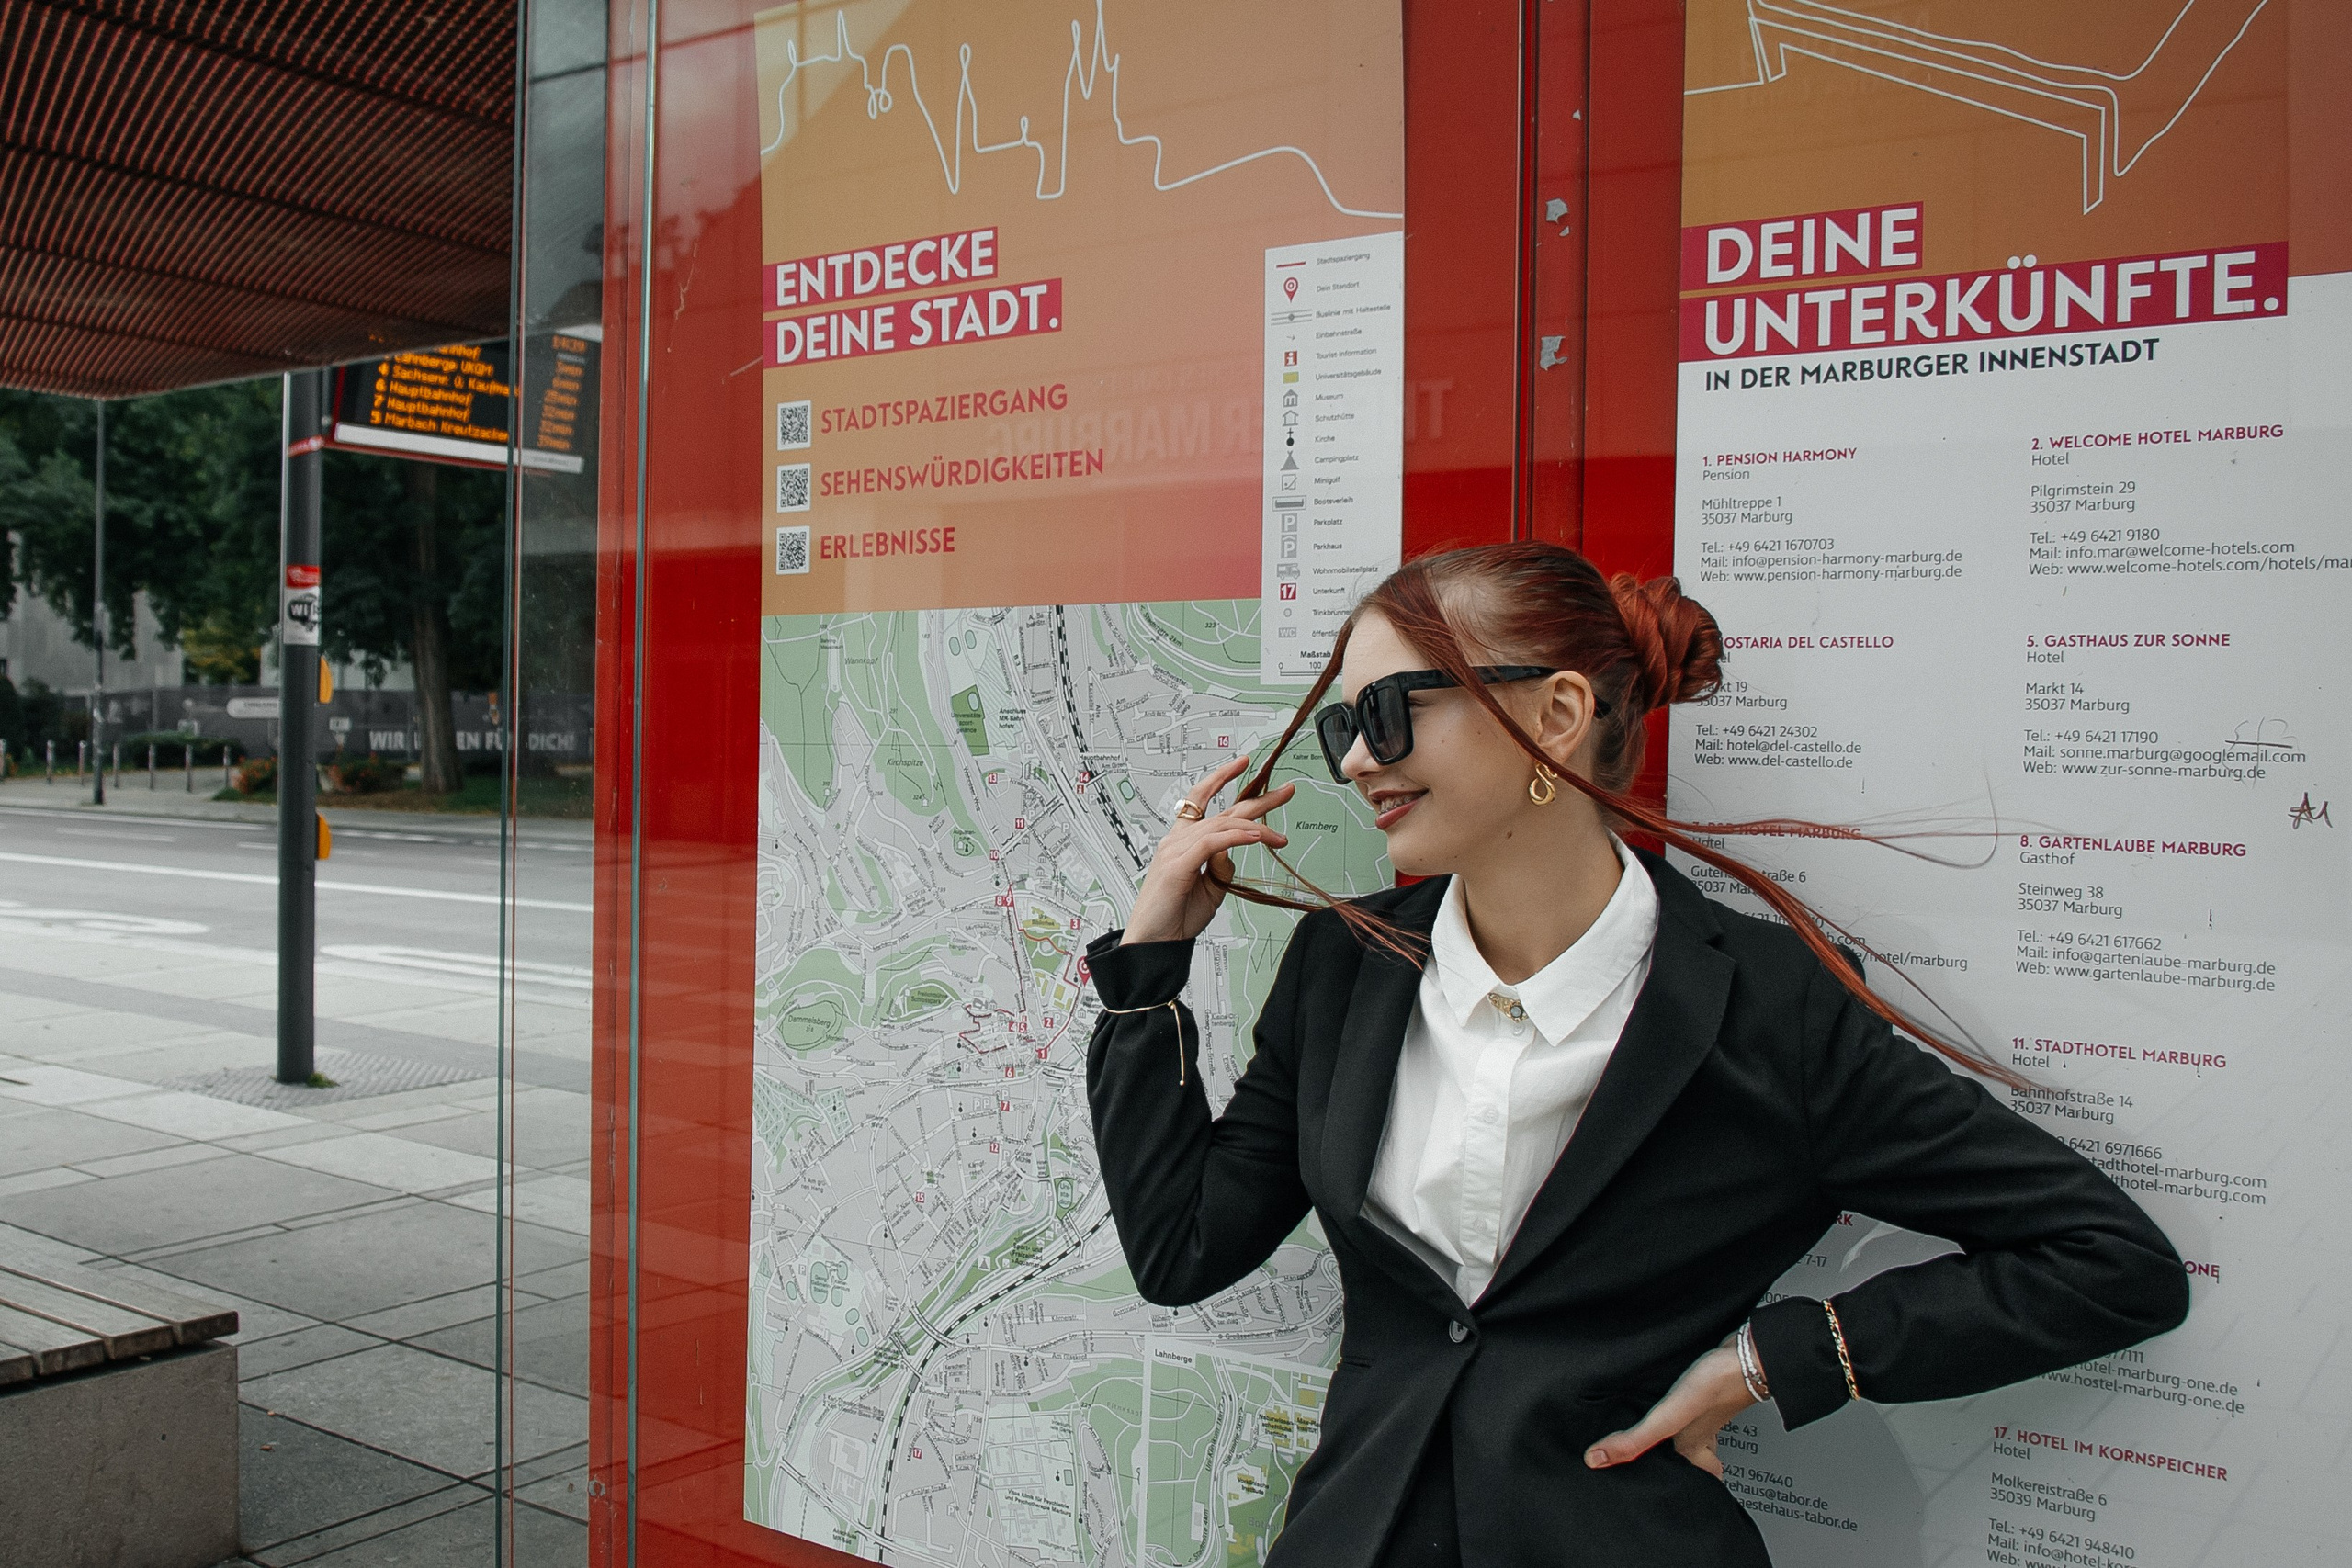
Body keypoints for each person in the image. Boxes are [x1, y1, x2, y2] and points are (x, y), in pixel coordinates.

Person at [1083, 541, 2188, 1566]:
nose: (1359, 758)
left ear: (1557, 713)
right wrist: (1148, 970)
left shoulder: (1766, 1007)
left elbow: (2106, 1261)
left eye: (1387, 711)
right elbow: (1184, 1250)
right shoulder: (1345, 964)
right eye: (1343, 727)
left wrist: (1773, 1362)